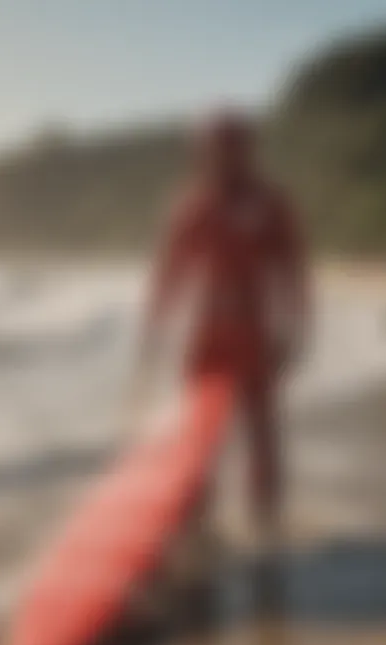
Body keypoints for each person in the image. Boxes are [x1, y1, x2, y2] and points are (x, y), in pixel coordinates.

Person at [135, 108, 310, 551]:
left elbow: (294, 273)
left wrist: (294, 331)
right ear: (202, 153)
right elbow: (168, 272)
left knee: (261, 430)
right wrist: (153, 329)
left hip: (254, 330)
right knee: (199, 437)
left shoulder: (271, 204)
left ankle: (266, 522)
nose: (222, 158)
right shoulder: (192, 204)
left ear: (248, 151)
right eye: (213, 150)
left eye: (231, 148)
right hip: (207, 333)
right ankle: (198, 528)